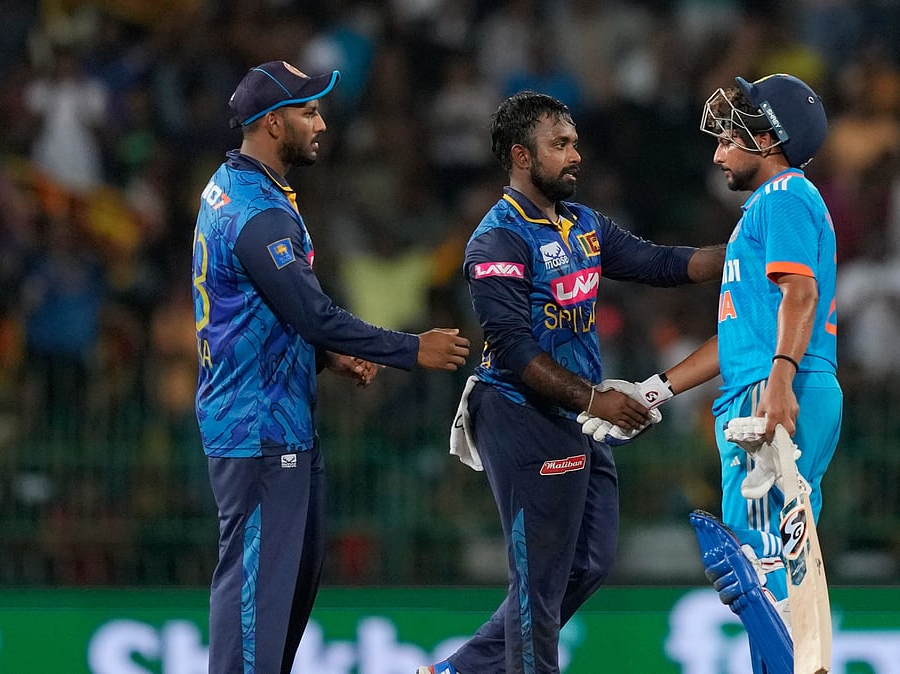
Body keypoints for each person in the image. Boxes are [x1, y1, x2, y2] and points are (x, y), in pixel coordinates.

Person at [421, 91, 725, 674]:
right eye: (559, 144)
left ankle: (456, 671)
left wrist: (740, 249)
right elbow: (512, 350)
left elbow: (659, 264)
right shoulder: (497, 239)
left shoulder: (582, 224)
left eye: (575, 142)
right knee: (539, 577)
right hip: (518, 411)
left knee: (588, 563)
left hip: (577, 412)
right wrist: (596, 400)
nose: (574, 154)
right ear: (520, 156)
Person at [192, 61, 470, 674]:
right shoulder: (254, 213)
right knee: (254, 608)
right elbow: (313, 313)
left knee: (284, 600)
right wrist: (408, 349)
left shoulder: (245, 188)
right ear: (270, 123)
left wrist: (324, 356)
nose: (322, 123)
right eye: (308, 112)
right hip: (259, 432)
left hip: (278, 420)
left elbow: (261, 313)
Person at [621, 73, 840, 672]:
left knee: (757, 570)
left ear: (768, 138)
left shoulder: (787, 196)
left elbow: (801, 292)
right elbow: (739, 336)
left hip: (771, 393)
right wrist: (656, 388)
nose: (718, 152)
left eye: (729, 139)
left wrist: (777, 383)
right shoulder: (761, 213)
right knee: (774, 572)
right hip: (765, 381)